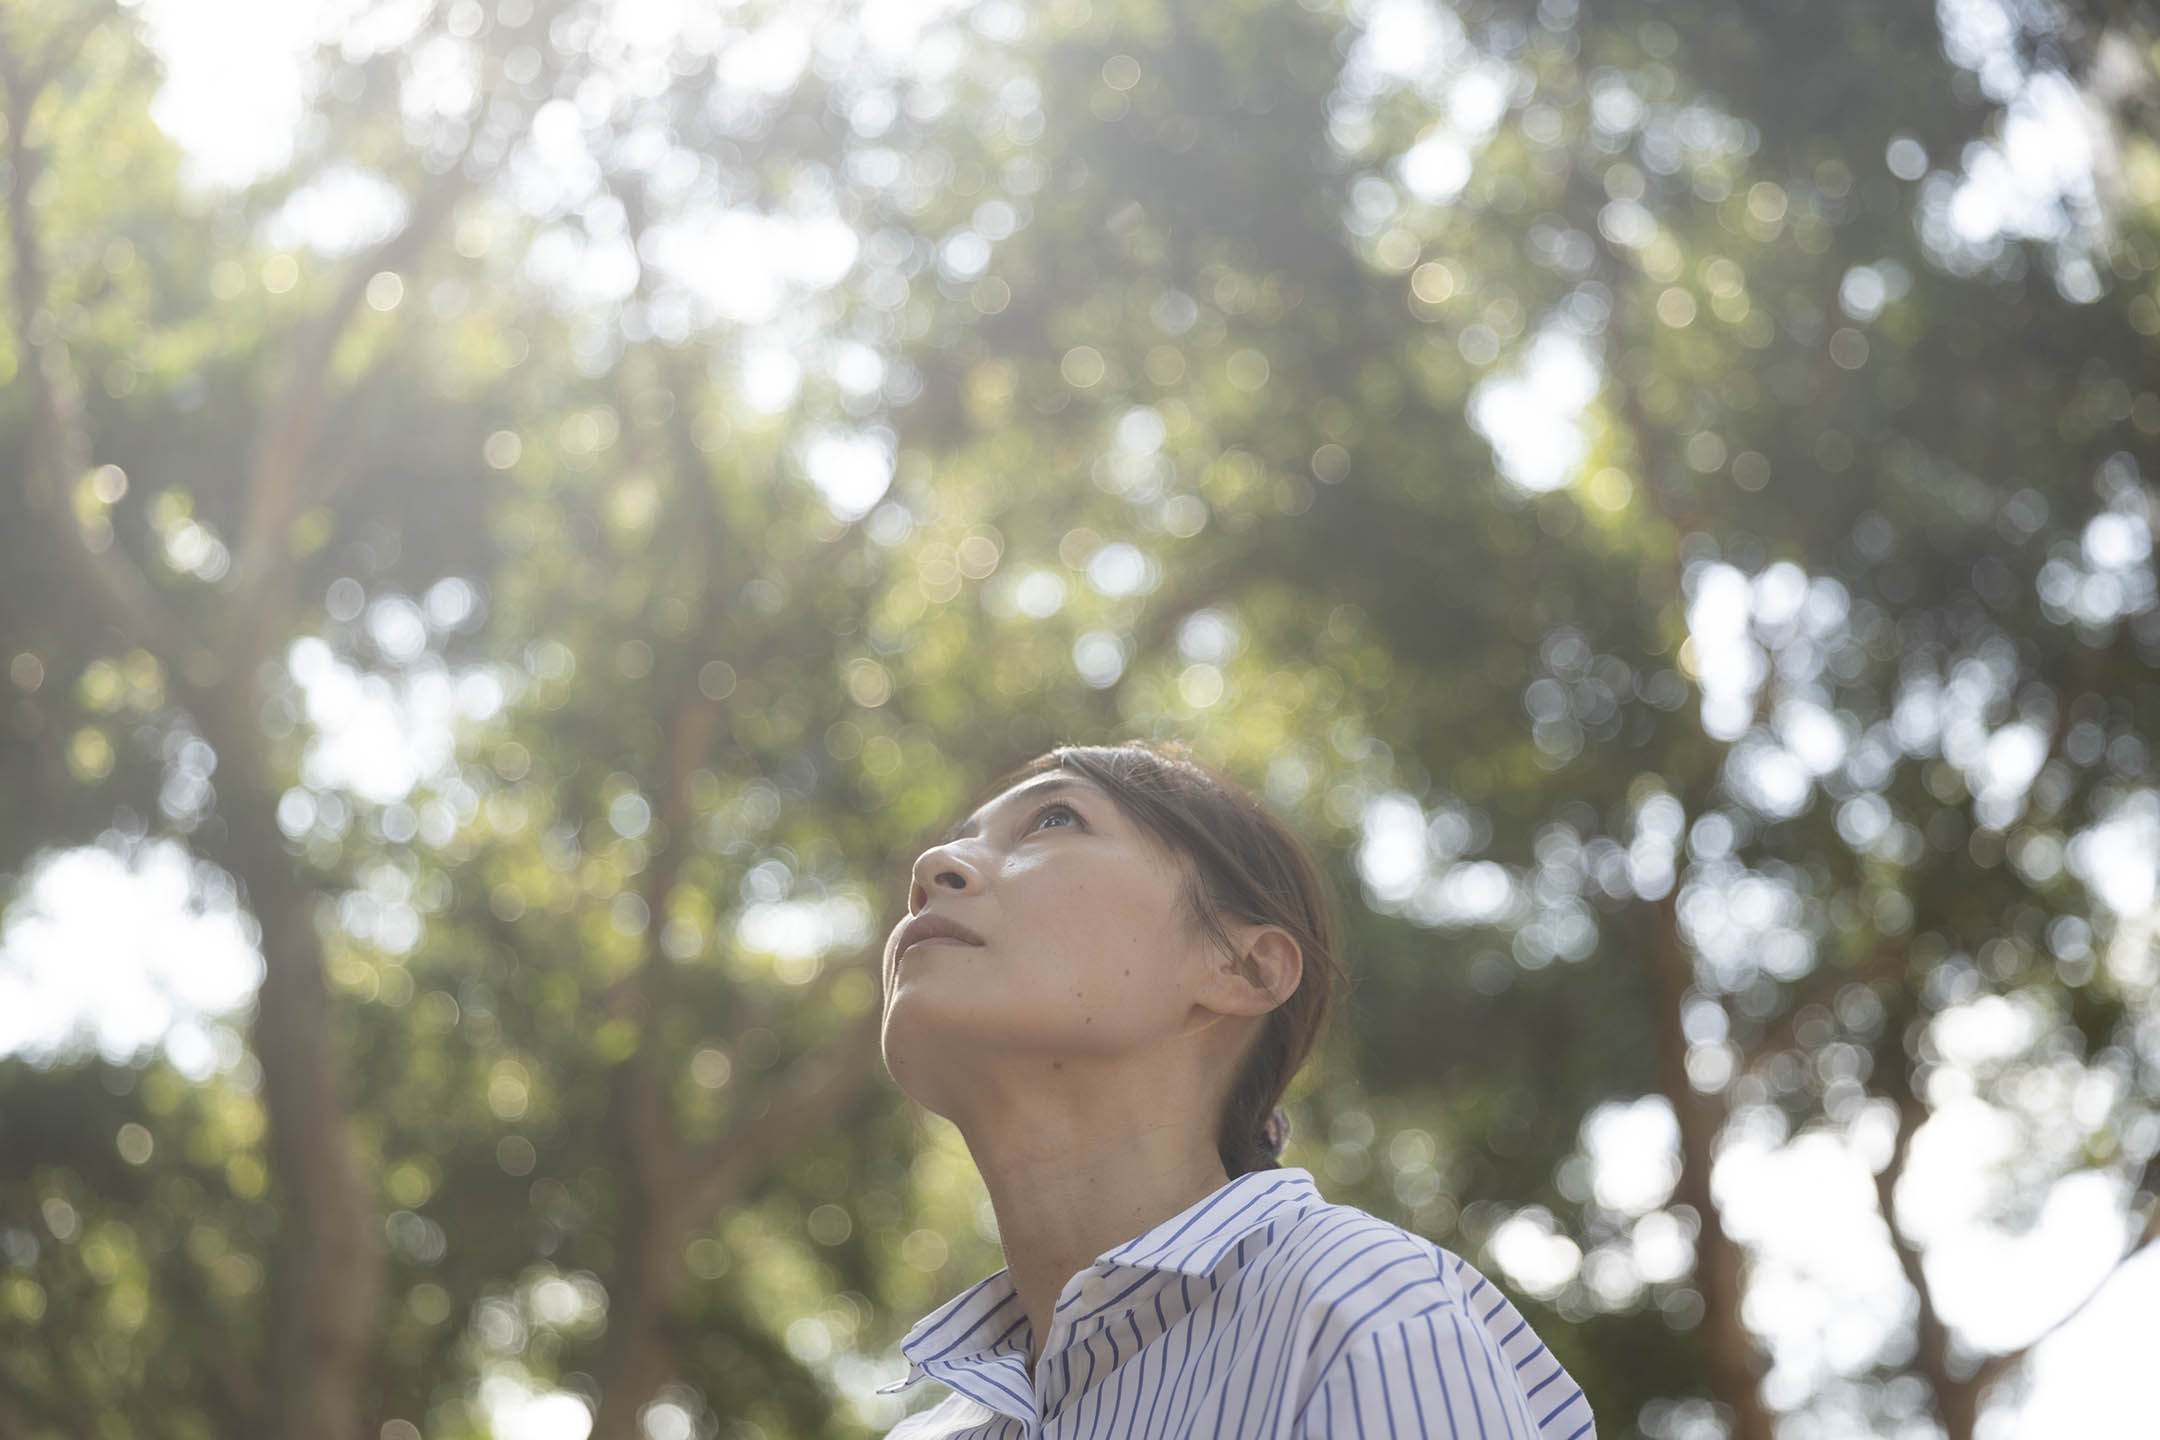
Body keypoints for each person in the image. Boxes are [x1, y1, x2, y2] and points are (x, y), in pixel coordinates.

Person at [876, 740, 1594, 1439]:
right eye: (956, 840)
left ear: (1242, 969)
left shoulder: (1361, 1309)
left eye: (1055, 820)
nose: (933, 866)